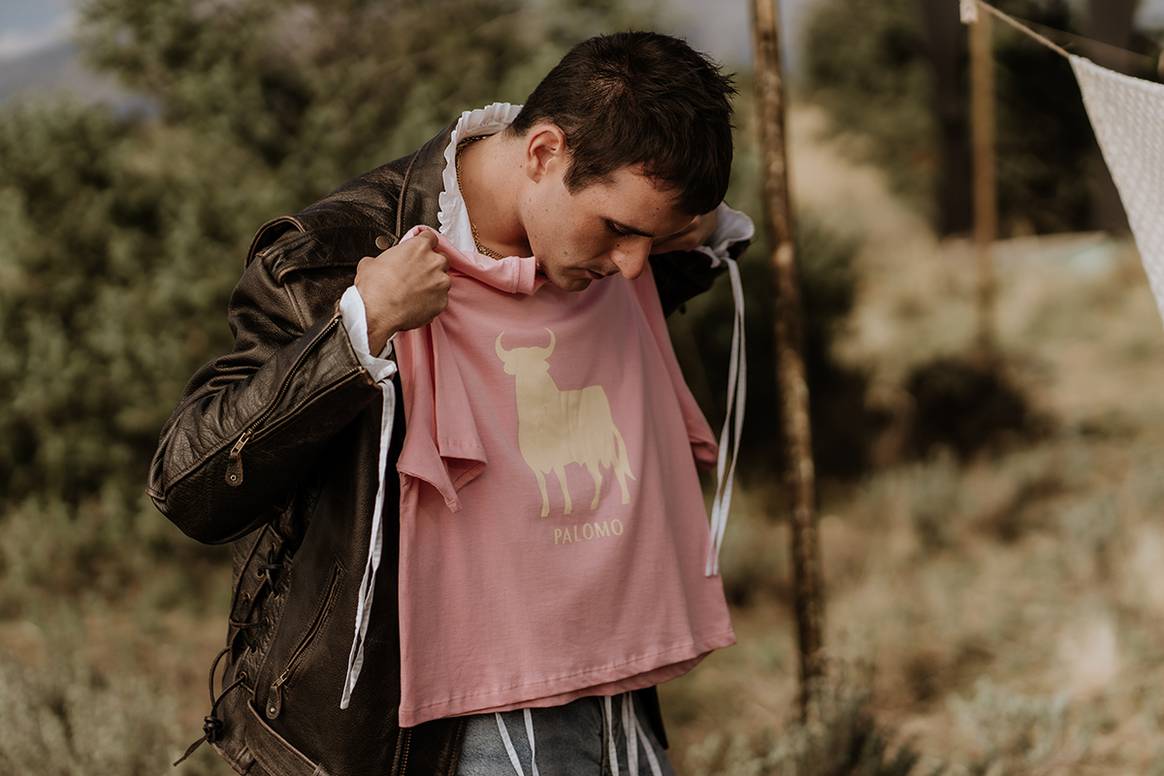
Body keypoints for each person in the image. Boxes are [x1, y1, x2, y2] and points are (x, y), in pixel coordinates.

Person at [149, 30, 753, 776]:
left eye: (651, 240)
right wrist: (355, 334)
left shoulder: (606, 254)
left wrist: (685, 231)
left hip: (615, 699)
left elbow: (679, 251)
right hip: (432, 736)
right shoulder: (334, 256)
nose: (634, 265)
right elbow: (187, 485)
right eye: (619, 230)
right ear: (544, 153)